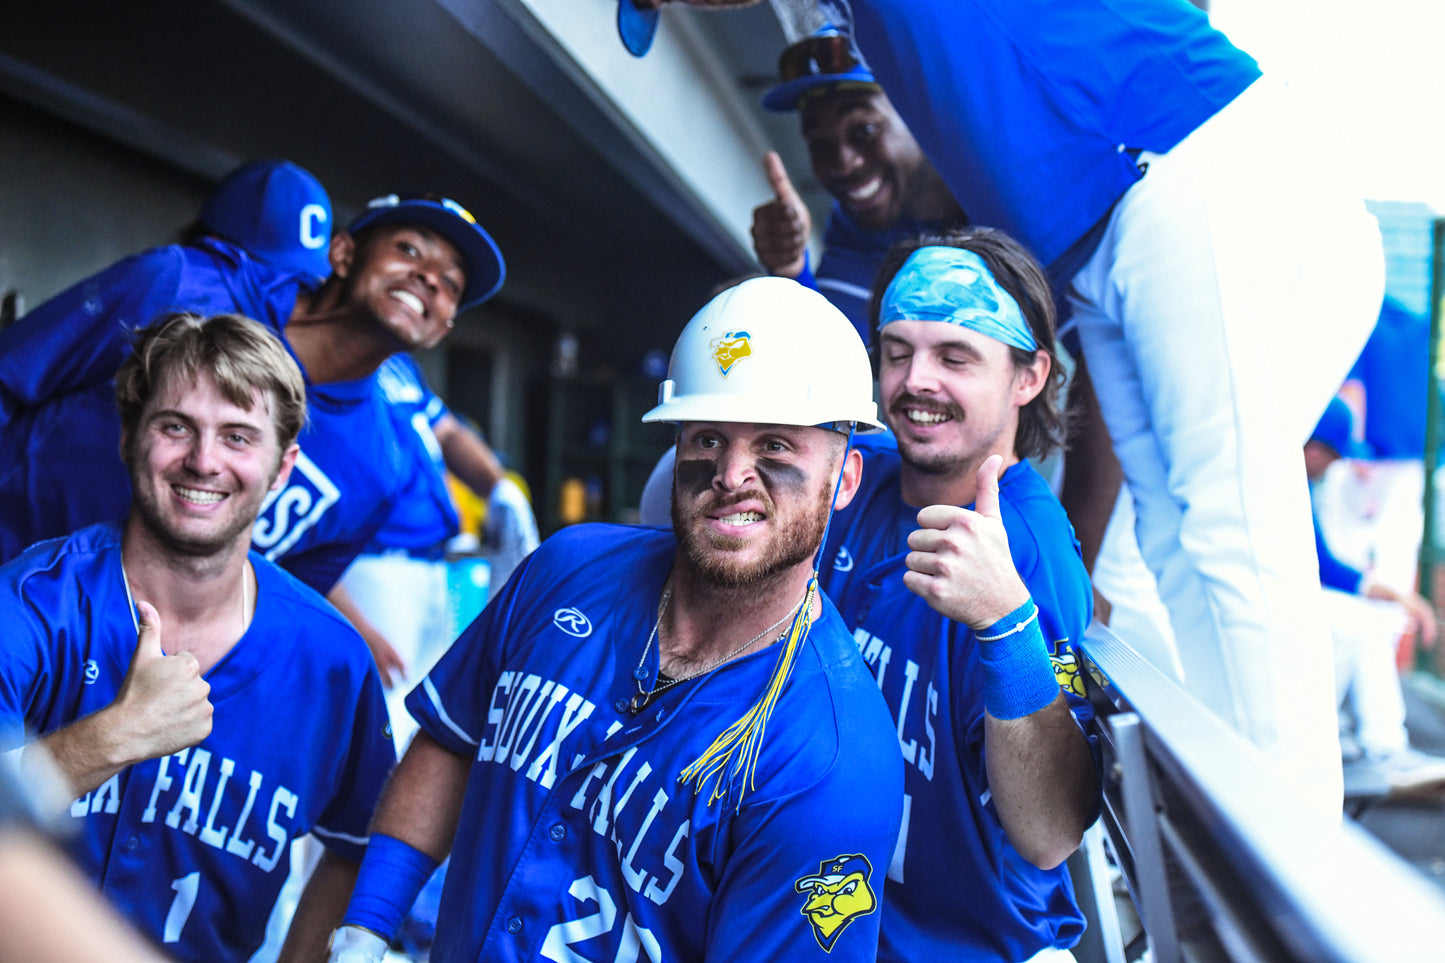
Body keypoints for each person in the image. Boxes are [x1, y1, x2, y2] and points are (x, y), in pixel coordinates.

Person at [635, 0, 1384, 808]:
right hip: (1109, 234)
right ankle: (1230, 816)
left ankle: (1284, 863)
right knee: (1167, 540)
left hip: (1175, 165)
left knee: (1227, 522)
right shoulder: (902, 139)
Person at [324, 277, 904, 963]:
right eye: (709, 437)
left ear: (844, 480)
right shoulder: (566, 566)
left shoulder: (832, 756)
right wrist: (367, 925)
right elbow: (453, 741)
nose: (732, 472)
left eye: (776, 446)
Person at [0, 313, 396, 963]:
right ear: (129, 436)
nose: (203, 461)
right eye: (175, 426)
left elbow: (363, 845)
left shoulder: (329, 659)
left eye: (238, 436)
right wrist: (113, 736)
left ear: (282, 467)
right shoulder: (33, 604)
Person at [815, 228, 1098, 962]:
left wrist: (1004, 624)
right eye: (897, 350)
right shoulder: (852, 475)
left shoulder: (1027, 548)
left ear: (1028, 376)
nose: (915, 382)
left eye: (955, 356)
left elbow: (1047, 835)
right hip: (825, 923)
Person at [0, 188, 505, 597]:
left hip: (113, 671)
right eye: (409, 250)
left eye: (451, 284)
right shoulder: (184, 284)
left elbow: (271, 603)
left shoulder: (380, 468)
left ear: (444, 327)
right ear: (343, 253)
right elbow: (10, 374)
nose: (428, 279)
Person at [749, 25, 963, 344]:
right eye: (820, 145)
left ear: (918, 116)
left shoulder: (1006, 196)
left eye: (864, 130)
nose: (844, 164)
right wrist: (789, 269)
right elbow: (828, 353)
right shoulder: (856, 232)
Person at [1306, 398, 1445, 795]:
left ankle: (1383, 748)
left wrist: (1397, 597)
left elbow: (1326, 567)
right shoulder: (1284, 478)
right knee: (1351, 624)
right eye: (1333, 455)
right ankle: (1317, 740)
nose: (1335, 466)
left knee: (1361, 621)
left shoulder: (1300, 481)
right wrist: (1400, 597)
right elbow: (1325, 568)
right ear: (1314, 449)